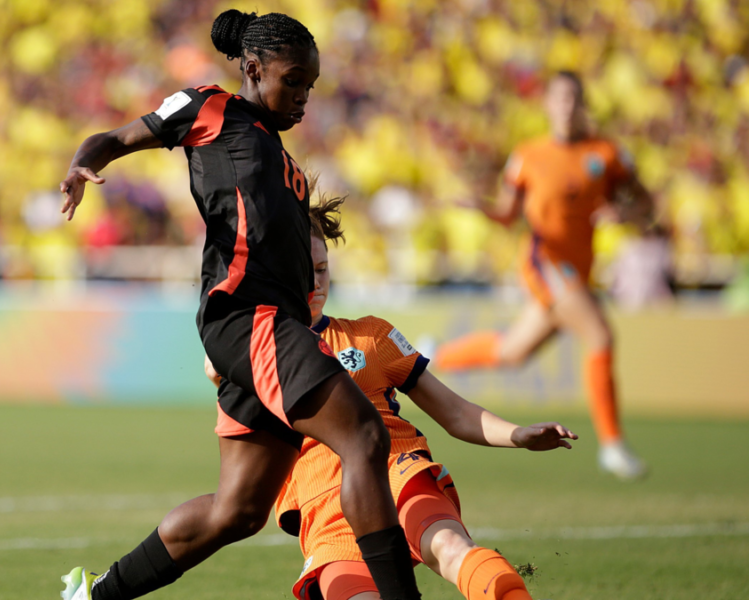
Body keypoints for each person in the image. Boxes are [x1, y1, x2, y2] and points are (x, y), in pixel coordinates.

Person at [58, 10, 423, 600]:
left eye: (311, 85)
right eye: (294, 80)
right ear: (253, 68)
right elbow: (120, 137)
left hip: (273, 327)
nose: (304, 96)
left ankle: (94, 595)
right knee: (364, 437)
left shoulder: (286, 163)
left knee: (239, 511)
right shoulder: (210, 108)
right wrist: (84, 164)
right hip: (245, 316)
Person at [207, 194, 578, 600]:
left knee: (452, 549)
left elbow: (454, 411)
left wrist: (518, 435)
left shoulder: (371, 335)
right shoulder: (254, 352)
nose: (315, 284)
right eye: (302, 270)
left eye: (323, 269)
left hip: (395, 473)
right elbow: (214, 363)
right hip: (325, 514)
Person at [434, 71, 656, 481]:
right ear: (548, 105)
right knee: (600, 335)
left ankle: (434, 353)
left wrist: (623, 212)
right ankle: (611, 444)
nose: (567, 106)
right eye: (560, 98)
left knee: (513, 352)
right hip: (544, 260)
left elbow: (646, 202)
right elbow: (506, 214)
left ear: (582, 103)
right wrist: (479, 207)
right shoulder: (529, 155)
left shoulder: (606, 154)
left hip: (577, 271)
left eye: (574, 98)